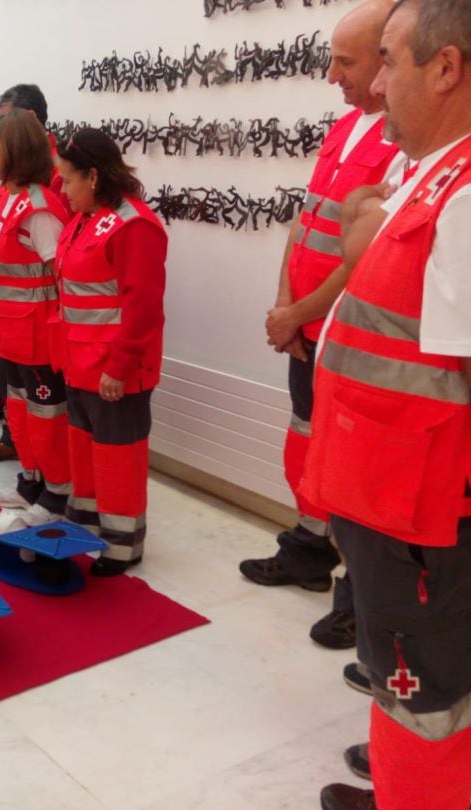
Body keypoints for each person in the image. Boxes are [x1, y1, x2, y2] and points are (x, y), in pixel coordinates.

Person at [302, 2, 471, 807]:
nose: (373, 80)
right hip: (392, 493)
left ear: (447, 69)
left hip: (427, 513)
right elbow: (360, 229)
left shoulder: (466, 194)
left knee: (425, 695)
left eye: (391, 60)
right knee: (410, 686)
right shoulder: (437, 170)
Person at [238, 0, 403, 651]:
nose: (332, 74)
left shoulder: (400, 142)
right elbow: (306, 222)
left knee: (352, 467)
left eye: (346, 60)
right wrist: (286, 307)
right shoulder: (347, 129)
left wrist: (302, 312)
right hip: (307, 330)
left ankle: (356, 601)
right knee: (307, 446)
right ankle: (309, 550)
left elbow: (368, 254)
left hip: (343, 332)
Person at [54, 129, 167, 575]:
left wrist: (118, 368)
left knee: (119, 457)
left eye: (67, 180)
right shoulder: (87, 217)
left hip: (114, 370)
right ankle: (86, 525)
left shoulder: (134, 226)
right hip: (80, 363)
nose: (62, 190)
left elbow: (142, 311)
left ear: (94, 176)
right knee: (86, 452)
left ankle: (123, 545)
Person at [0, 111, 70, 521]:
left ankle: (57, 492)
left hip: (38, 338)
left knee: (46, 419)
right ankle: (30, 482)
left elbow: (62, 276)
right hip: (10, 333)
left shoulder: (38, 209)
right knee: (19, 413)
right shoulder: (9, 199)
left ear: (14, 149)